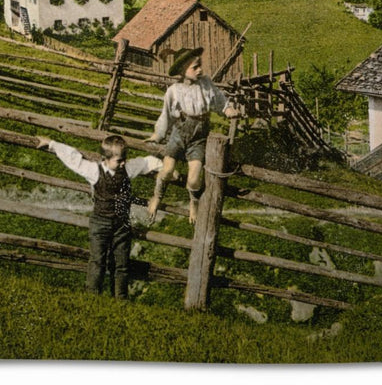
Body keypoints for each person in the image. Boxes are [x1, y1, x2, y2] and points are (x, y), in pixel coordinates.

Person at [38, 133, 157, 299]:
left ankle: (120, 298)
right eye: (118, 161)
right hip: (100, 223)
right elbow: (73, 159)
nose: (122, 163)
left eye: (124, 159)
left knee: (121, 264)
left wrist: (166, 170)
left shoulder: (128, 169)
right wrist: (52, 144)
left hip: (122, 225)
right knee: (97, 261)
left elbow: (148, 162)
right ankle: (92, 296)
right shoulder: (94, 171)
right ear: (105, 159)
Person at [149, 47, 240, 223]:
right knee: (167, 170)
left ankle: (193, 201)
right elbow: (165, 115)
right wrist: (157, 135)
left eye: (200, 66)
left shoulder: (206, 84)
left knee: (193, 179)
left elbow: (220, 101)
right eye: (195, 67)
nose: (200, 70)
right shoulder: (174, 90)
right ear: (183, 70)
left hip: (199, 136)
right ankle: (157, 196)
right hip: (179, 132)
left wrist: (228, 110)